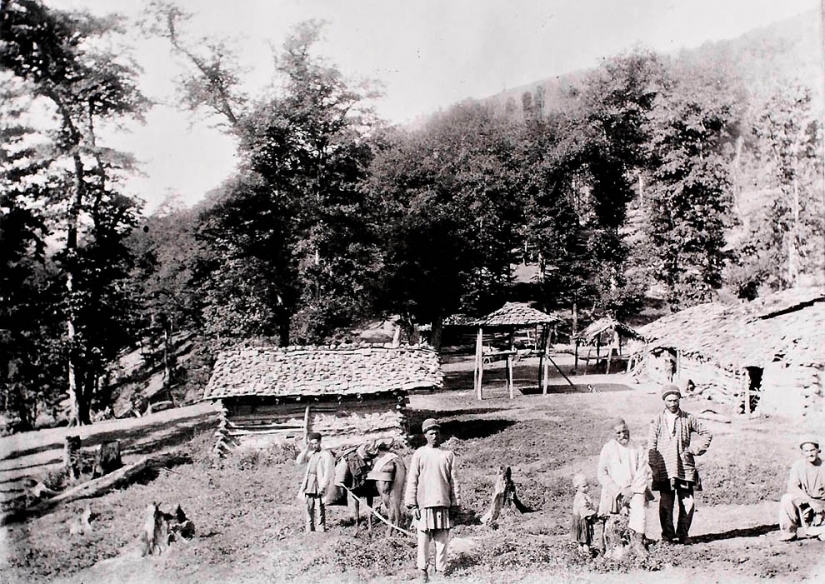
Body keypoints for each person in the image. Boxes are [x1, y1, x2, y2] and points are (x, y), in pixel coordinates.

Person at [648, 384, 712, 544]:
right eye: (669, 401)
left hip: (684, 467)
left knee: (687, 502)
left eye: (675, 400)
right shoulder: (657, 420)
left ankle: (683, 535)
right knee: (666, 504)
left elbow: (707, 434)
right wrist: (654, 466)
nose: (673, 404)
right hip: (665, 468)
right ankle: (667, 536)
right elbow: (651, 445)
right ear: (664, 401)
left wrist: (694, 449)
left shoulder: (688, 418)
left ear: (679, 400)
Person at [405, 418, 461, 582]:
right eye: (431, 433)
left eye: (437, 432)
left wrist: (455, 503)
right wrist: (412, 505)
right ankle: (423, 571)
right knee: (423, 540)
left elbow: (454, 481)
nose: (434, 436)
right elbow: (412, 480)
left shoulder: (448, 455)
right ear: (425, 436)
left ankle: (441, 571)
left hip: (443, 504)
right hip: (424, 505)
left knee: (442, 541)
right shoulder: (420, 454)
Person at [597, 418, 652, 554]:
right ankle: (611, 546)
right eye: (618, 433)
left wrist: (632, 490)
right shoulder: (608, 449)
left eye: (625, 431)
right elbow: (602, 473)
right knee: (612, 519)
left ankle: (638, 542)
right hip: (615, 490)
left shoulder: (637, 447)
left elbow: (642, 471)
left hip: (634, 489)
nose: (622, 435)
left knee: (639, 510)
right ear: (612, 434)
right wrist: (618, 491)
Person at [778, 435, 825, 542]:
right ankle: (789, 533)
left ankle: (817, 529)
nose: (810, 453)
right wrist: (810, 502)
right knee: (787, 498)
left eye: (813, 450)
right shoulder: (798, 466)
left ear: (818, 450)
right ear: (802, 453)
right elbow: (792, 487)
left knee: (823, 537)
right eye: (807, 451)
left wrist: (820, 508)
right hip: (806, 505)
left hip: (822, 506)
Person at [296, 431, 335, 533]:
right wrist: (306, 449)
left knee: (319, 505)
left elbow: (328, 471)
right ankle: (309, 528)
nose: (314, 446)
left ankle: (321, 528)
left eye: (315, 443)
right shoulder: (311, 454)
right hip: (309, 481)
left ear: (320, 442)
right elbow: (299, 461)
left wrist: (323, 485)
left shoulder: (326, 454)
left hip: (319, 481)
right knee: (309, 505)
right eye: (312, 444)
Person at [570, 473, 597, 553]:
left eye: (587, 485)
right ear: (577, 487)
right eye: (584, 486)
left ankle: (580, 553)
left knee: (581, 539)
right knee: (586, 539)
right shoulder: (581, 497)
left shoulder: (580, 495)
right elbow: (584, 509)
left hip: (578, 519)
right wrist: (592, 514)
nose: (586, 488)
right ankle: (586, 554)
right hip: (583, 520)